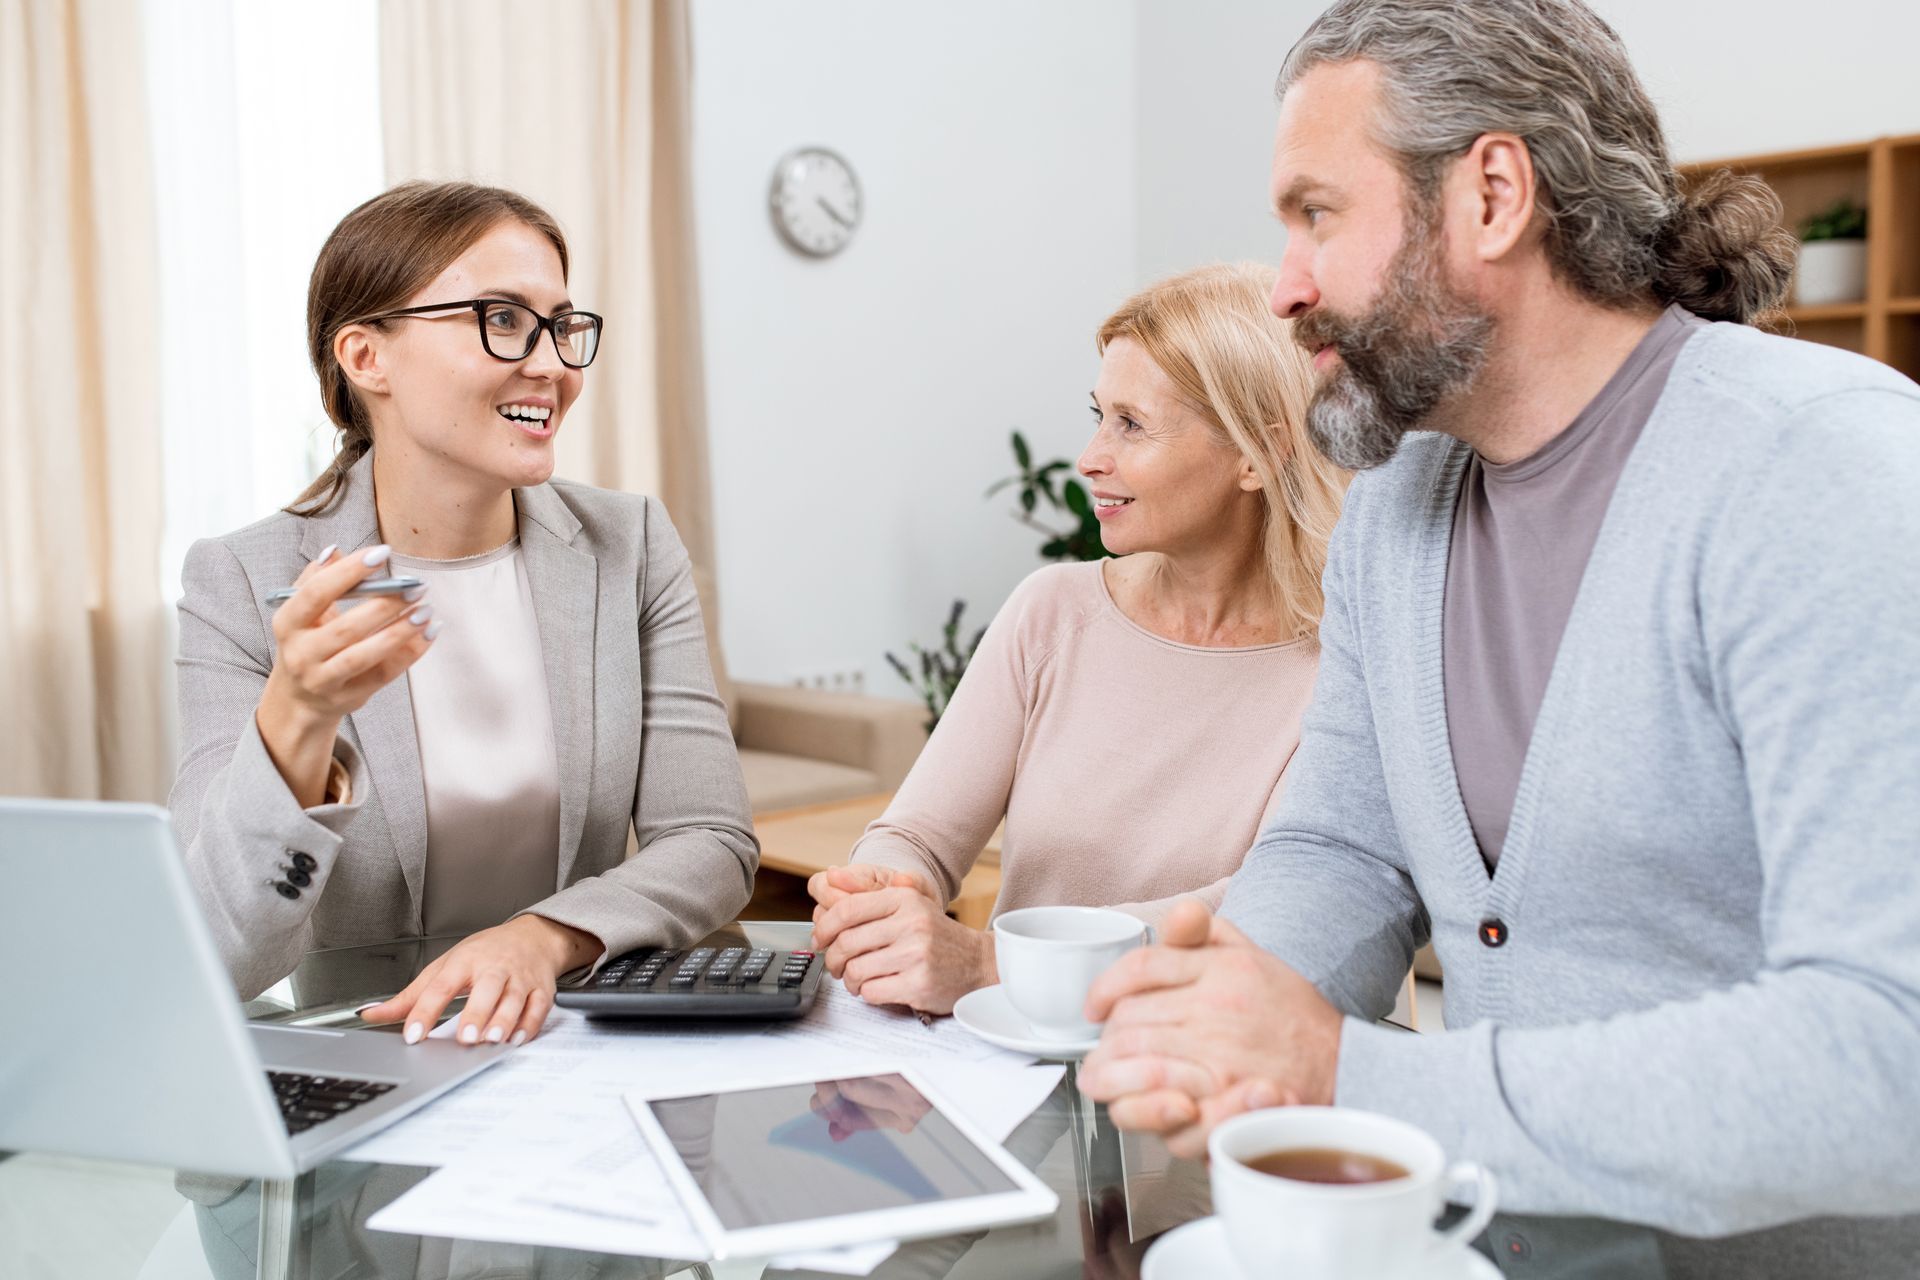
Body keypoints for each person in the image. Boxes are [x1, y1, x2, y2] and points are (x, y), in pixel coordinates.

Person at [1077, 0, 1920, 1264]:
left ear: (1491, 195)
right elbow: (1346, 848)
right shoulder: (1399, 508)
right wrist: (1219, 1006)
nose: (1287, 286)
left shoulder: (1822, 467)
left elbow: (1887, 1051)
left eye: (1317, 214)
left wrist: (1341, 1069)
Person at [170, 181, 756, 1047]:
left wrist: (540, 938)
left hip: (574, 1048)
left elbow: (710, 840)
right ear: (367, 357)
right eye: (502, 318)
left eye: (561, 324)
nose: (553, 365)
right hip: (366, 1055)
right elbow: (219, 956)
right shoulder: (241, 580)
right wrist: (298, 712)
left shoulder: (628, 544)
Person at [808, 264, 1349, 1015]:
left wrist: (992, 963)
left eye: (1131, 424)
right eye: (1098, 415)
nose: (1089, 457)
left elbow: (1264, 909)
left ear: (1256, 454)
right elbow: (920, 835)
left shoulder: (1342, 664)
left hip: (1203, 1069)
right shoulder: (1052, 612)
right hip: (1010, 1058)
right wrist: (880, 892)